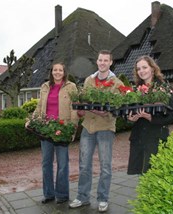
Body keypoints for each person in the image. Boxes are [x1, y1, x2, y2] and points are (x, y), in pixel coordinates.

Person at [69, 50, 123, 212]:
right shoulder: (89, 80)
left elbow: (117, 108)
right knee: (84, 165)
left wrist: (105, 111)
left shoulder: (117, 84)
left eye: (106, 60)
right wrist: (82, 109)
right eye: (100, 60)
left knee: (105, 166)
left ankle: (103, 198)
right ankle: (83, 197)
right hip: (88, 127)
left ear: (110, 63)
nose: (102, 63)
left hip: (105, 127)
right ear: (97, 62)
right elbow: (85, 100)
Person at [26, 62, 78, 204]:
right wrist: (32, 120)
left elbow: (75, 109)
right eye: (55, 70)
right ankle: (48, 194)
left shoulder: (71, 87)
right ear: (52, 72)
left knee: (62, 164)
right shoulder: (45, 86)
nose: (57, 72)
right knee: (46, 163)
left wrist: (72, 128)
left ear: (64, 72)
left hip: (62, 130)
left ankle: (62, 195)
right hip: (46, 130)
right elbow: (39, 107)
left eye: (60, 70)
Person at [127, 55, 173, 175]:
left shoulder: (164, 88)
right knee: (142, 177)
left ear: (153, 69)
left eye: (144, 67)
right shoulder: (135, 90)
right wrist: (130, 119)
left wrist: (151, 118)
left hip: (156, 137)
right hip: (139, 138)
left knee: (155, 176)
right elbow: (129, 113)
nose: (141, 71)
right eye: (138, 69)